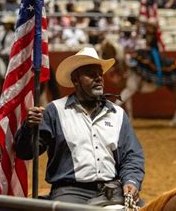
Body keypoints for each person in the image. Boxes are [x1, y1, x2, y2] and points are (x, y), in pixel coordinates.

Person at [15, 47, 144, 205]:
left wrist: (131, 180)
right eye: (91, 74)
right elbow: (25, 152)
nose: (98, 79)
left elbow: (132, 155)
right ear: (75, 80)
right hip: (70, 191)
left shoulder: (118, 113)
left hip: (111, 189)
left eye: (100, 74)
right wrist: (29, 128)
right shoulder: (54, 111)